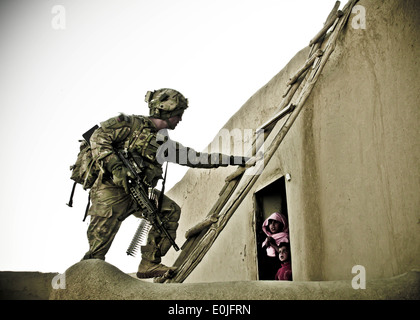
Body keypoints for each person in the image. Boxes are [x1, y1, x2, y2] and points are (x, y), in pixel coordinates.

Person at [81, 88, 249, 279]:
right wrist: (117, 167)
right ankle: (82, 287)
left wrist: (236, 160)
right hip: (110, 193)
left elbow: (196, 158)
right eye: (178, 115)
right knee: (96, 254)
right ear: (167, 111)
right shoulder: (130, 124)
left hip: (139, 193)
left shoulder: (163, 144)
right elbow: (97, 136)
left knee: (169, 212)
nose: (180, 120)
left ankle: (149, 263)